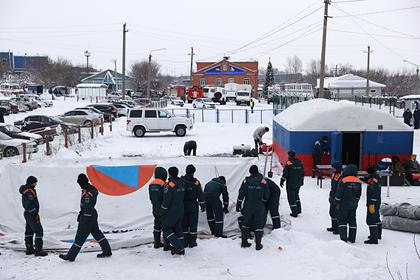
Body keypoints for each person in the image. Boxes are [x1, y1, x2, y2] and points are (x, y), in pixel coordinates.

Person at [59, 174, 112, 261]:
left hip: (88, 216)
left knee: (80, 236)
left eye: (79, 183)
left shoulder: (87, 193)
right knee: (97, 233)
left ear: (81, 183)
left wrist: (85, 217)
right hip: (92, 215)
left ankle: (70, 256)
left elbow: (87, 205)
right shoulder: (90, 189)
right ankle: (107, 250)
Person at [236, 165, 270, 250]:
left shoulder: (246, 181)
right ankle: (258, 245)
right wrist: (263, 200)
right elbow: (267, 195)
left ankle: (244, 242)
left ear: (250, 172)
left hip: (248, 205)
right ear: (257, 171)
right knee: (258, 224)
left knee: (245, 223)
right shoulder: (263, 181)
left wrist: (238, 204)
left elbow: (241, 194)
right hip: (259, 205)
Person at [19, 176, 48, 256]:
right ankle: (38, 250)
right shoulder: (28, 191)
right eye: (35, 182)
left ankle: (29, 249)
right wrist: (34, 213)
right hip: (31, 214)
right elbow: (28, 204)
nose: (36, 184)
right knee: (39, 231)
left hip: (28, 213)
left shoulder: (27, 190)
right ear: (32, 182)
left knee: (29, 231)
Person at [160, 167, 186, 255]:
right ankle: (182, 248)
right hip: (181, 209)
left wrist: (162, 211)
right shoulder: (182, 183)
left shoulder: (169, 185)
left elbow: (166, 200)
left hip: (172, 210)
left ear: (169, 174)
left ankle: (178, 246)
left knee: (166, 228)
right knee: (178, 228)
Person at [335, 164, 362, 243]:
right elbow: (358, 194)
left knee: (342, 220)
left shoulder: (343, 180)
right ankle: (352, 238)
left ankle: (343, 239)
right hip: (353, 204)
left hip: (344, 204)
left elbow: (339, 193)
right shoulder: (358, 181)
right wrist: (356, 201)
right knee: (352, 220)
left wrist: (337, 202)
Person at [181, 164, 205, 248]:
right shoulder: (196, 182)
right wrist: (202, 205)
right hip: (193, 205)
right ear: (193, 172)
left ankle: (184, 242)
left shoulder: (181, 181)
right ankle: (192, 242)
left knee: (184, 224)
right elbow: (200, 194)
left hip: (182, 205)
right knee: (193, 225)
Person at [361, 166, 382, 244]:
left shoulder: (373, 180)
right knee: (376, 218)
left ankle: (374, 238)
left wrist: (372, 202)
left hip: (373, 202)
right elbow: (369, 181)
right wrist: (363, 179)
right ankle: (377, 235)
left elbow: (373, 188)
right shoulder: (376, 177)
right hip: (377, 201)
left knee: (371, 219)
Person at [280, 150, 304, 217]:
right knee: (296, 195)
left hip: (291, 183)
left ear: (289, 155)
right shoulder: (300, 162)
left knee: (291, 197)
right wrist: (302, 181)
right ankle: (298, 210)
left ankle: (294, 212)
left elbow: (285, 173)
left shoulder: (288, 163)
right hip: (298, 182)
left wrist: (282, 180)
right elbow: (302, 172)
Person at [149, 167, 168, 249]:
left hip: (155, 207)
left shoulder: (151, 184)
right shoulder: (163, 184)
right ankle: (166, 244)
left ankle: (156, 242)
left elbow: (151, 197)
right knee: (165, 226)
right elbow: (166, 197)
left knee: (156, 225)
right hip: (162, 208)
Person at [327, 162, 342, 234]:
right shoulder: (333, 175)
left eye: (334, 168)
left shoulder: (341, 176)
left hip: (338, 197)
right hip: (333, 196)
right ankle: (333, 226)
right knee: (332, 212)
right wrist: (330, 194)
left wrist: (338, 197)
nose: (332, 169)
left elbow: (341, 188)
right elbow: (333, 186)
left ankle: (338, 228)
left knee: (337, 213)